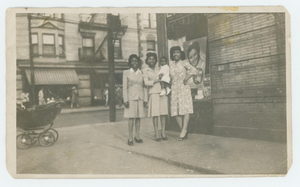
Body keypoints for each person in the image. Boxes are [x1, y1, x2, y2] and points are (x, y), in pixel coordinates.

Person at [169, 46, 197, 141]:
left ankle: (183, 131)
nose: (175, 54)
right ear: (172, 54)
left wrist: (186, 78)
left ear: (180, 53)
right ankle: (183, 130)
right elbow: (169, 76)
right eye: (174, 53)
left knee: (185, 109)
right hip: (174, 88)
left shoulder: (184, 62)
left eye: (177, 52)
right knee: (175, 111)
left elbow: (194, 70)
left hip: (183, 88)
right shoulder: (171, 64)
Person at [143, 52, 169, 141]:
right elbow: (146, 82)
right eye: (149, 59)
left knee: (163, 113)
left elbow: (166, 77)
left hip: (162, 92)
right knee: (155, 114)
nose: (151, 60)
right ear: (147, 60)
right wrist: (156, 80)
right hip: (153, 93)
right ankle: (156, 133)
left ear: (156, 60)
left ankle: (163, 132)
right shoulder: (145, 70)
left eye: (153, 59)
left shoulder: (160, 68)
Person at [123, 54, 147, 146]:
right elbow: (124, 87)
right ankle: (130, 137)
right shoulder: (126, 72)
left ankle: (137, 136)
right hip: (130, 98)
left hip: (140, 97)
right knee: (131, 118)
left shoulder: (142, 73)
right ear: (129, 63)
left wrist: (145, 99)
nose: (134, 63)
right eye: (132, 61)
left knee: (138, 117)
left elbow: (144, 87)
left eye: (136, 61)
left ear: (139, 62)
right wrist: (125, 100)